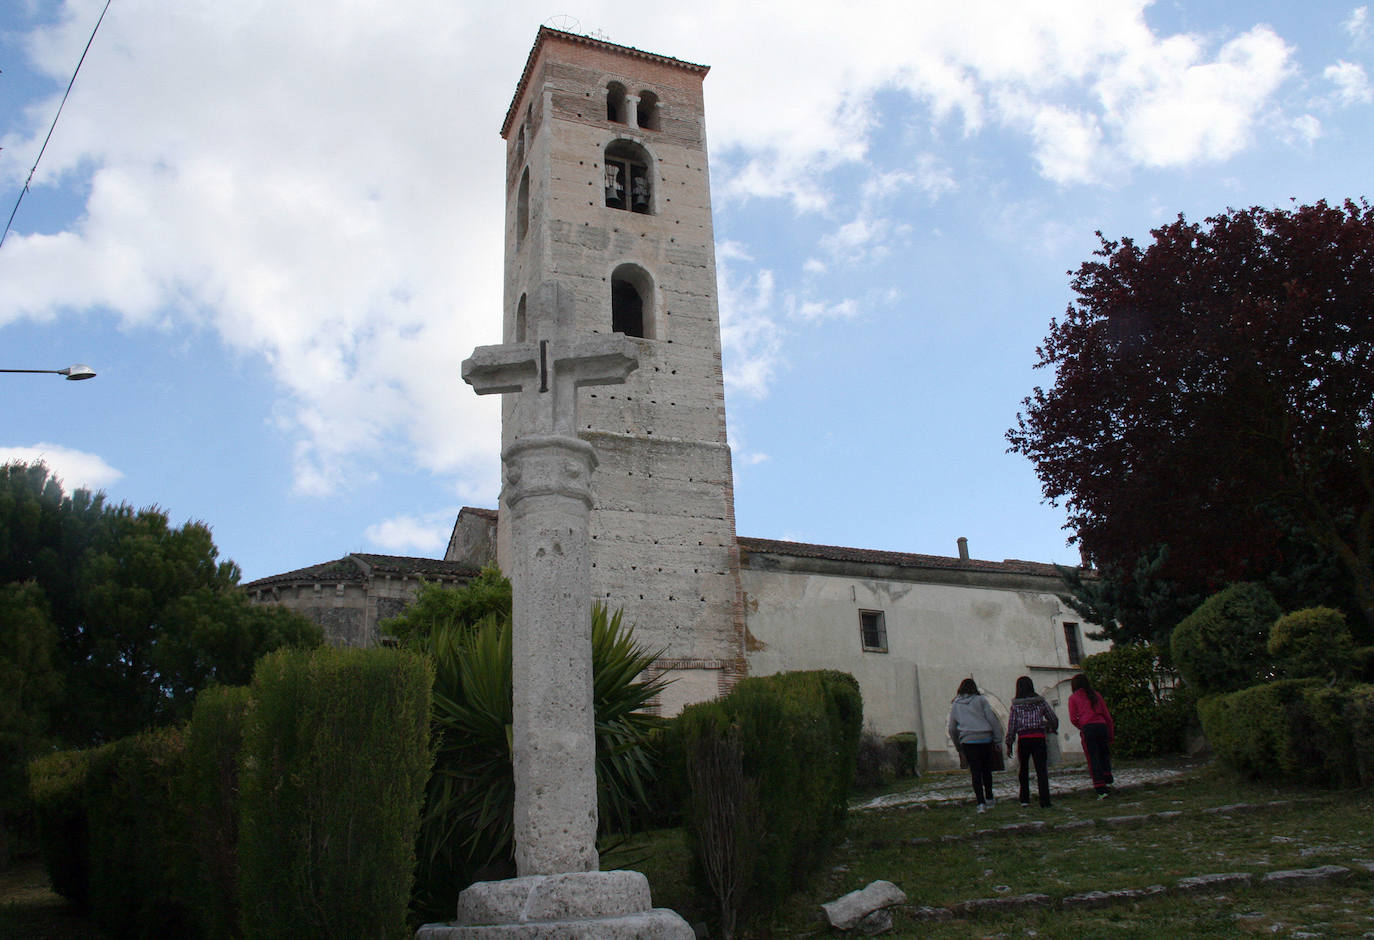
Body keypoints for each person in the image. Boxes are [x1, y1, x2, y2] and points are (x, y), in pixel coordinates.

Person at [947, 678, 1003, 812]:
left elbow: (952, 728)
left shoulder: (955, 704)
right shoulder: (981, 700)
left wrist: (958, 746)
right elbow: (992, 719)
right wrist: (997, 739)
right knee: (986, 770)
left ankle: (980, 803)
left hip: (968, 741)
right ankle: (989, 798)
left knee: (975, 773)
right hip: (985, 738)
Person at [1005, 676, 1058, 808]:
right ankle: (1045, 801)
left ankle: (1024, 799)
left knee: (1023, 770)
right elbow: (1053, 717)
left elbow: (1012, 725)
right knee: (1041, 770)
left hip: (1024, 739)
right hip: (1039, 737)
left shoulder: (1016, 706)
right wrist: (1051, 728)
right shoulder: (1040, 702)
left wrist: (1009, 742)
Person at [1068, 673, 1115, 798]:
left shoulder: (1073, 698)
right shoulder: (1096, 695)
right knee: (1104, 753)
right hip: (1102, 726)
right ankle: (1107, 778)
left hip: (1088, 727)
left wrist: (1082, 726)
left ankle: (1100, 787)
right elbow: (1107, 716)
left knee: (1093, 756)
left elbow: (1073, 718)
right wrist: (1110, 733)